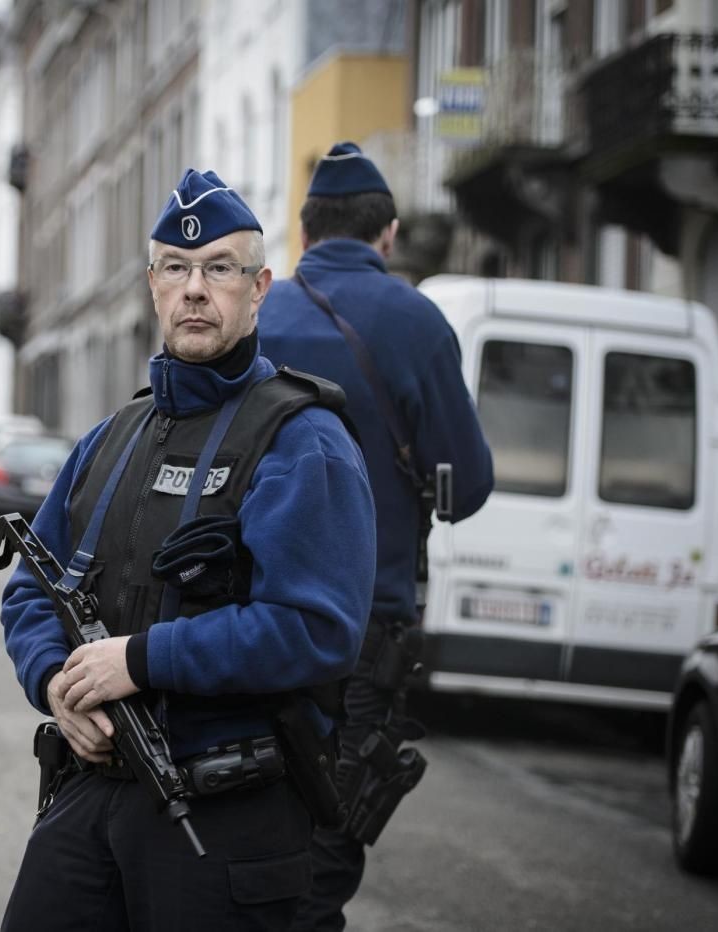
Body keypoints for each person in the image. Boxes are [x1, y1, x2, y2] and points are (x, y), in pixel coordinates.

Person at [0, 169, 377, 931]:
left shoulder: (303, 443)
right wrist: (55, 686)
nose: (195, 289)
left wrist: (138, 661)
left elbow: (315, 631)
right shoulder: (113, 437)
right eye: (176, 268)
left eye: (219, 269)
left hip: (224, 816)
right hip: (90, 790)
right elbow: (30, 587)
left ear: (259, 288)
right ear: (153, 286)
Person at [257, 141, 496, 931]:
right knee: (331, 828)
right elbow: (466, 486)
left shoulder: (262, 315)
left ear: (305, 232)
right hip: (363, 625)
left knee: (234, 812)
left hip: (242, 614)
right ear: (387, 235)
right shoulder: (418, 322)